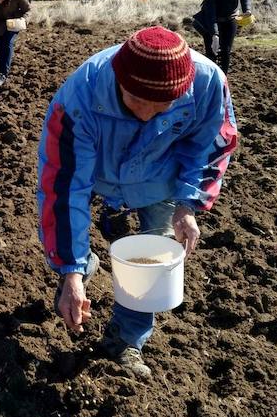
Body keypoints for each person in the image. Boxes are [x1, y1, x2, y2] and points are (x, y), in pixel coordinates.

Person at [37, 26, 238, 379]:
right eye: (135, 102)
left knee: (149, 261)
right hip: (98, 172)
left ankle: (124, 341)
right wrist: (70, 271)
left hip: (160, 178)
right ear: (119, 81)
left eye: (162, 107)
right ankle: (82, 266)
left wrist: (188, 204)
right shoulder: (79, 100)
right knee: (72, 250)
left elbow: (210, 145)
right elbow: (66, 189)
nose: (146, 114)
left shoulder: (208, 84)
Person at [193, 0, 251, 74]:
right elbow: (210, 11)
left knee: (226, 50)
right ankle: (211, 77)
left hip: (230, 19)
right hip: (211, 19)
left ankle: (223, 78)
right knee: (211, 51)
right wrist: (214, 34)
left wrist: (247, 10)